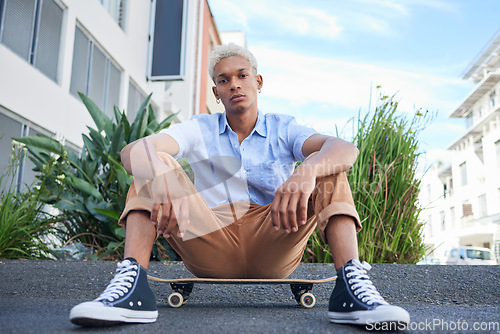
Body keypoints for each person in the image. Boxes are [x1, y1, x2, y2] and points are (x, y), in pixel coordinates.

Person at [70, 43, 410, 327]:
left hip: (274, 237)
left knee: (326, 165)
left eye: (242, 75)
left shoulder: (284, 127)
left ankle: (351, 290)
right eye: (224, 79)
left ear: (258, 82)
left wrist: (306, 171)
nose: (234, 84)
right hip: (209, 241)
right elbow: (133, 152)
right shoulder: (200, 127)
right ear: (217, 92)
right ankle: (132, 292)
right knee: (152, 160)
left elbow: (345, 149)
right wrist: (161, 177)